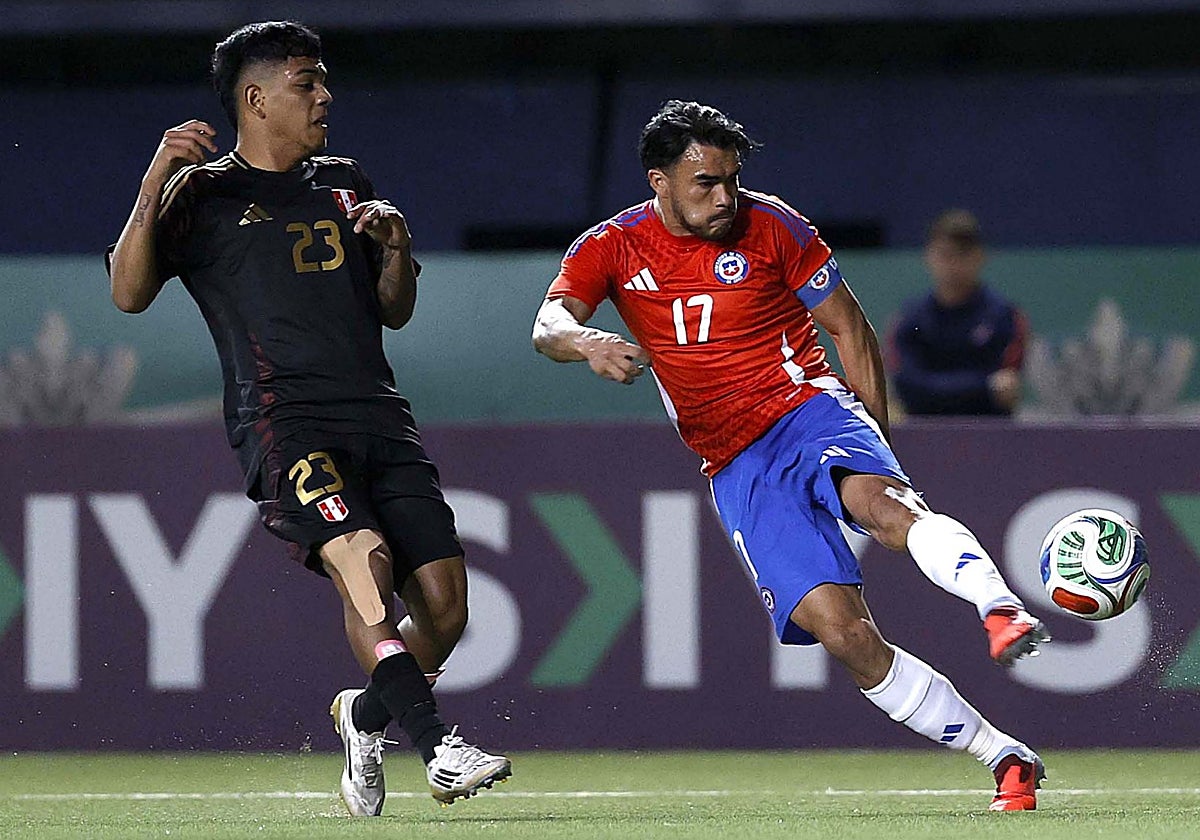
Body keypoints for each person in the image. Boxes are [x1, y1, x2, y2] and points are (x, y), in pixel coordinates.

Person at [532, 100, 1051, 811]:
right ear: (659, 182)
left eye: (732, 180)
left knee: (884, 507)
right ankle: (1004, 757)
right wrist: (585, 342)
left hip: (805, 409)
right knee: (844, 635)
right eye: (705, 184)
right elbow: (549, 321)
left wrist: (881, 455)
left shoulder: (776, 225)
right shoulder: (611, 246)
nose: (724, 198)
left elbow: (851, 331)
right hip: (735, 464)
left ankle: (999, 609)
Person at [107, 21, 510, 816]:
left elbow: (395, 310)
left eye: (321, 80)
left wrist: (396, 248)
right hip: (282, 419)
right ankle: (439, 747)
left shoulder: (345, 179)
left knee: (448, 607)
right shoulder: (205, 191)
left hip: (379, 413)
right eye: (306, 82)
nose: (324, 95)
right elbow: (127, 291)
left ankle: (364, 716)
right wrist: (156, 175)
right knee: (364, 564)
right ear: (255, 100)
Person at [888, 209, 1028, 416]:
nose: (953, 266)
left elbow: (1006, 389)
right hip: (921, 437)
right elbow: (907, 387)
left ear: (980, 256)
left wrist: (938, 389)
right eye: (945, 255)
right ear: (929, 256)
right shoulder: (909, 320)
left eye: (963, 255)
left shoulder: (1004, 317)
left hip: (991, 437)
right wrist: (984, 387)